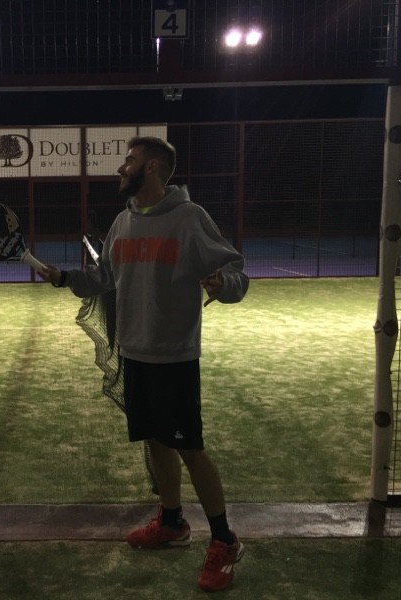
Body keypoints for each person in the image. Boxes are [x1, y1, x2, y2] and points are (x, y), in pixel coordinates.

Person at [40, 136, 249, 592]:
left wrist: (223, 284)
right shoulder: (123, 222)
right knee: (155, 440)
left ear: (151, 167)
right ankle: (172, 522)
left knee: (190, 448)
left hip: (174, 356)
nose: (122, 168)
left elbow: (236, 273)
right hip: (134, 352)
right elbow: (103, 278)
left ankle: (225, 540)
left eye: (129, 160)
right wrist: (63, 278)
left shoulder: (189, 218)